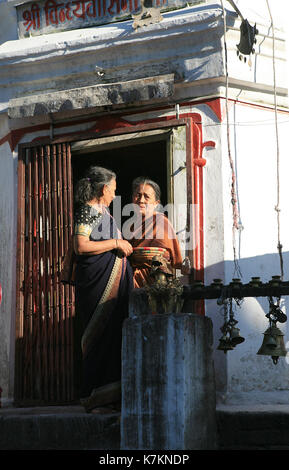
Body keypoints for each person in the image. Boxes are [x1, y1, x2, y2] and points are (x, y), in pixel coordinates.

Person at [73, 165, 133, 413]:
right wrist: (117, 242)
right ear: (104, 188)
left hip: (113, 281)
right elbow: (81, 246)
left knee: (114, 336)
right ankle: (94, 397)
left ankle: (111, 397)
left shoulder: (105, 213)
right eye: (114, 190)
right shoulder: (88, 211)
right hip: (96, 283)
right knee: (98, 336)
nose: (115, 195)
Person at [127, 176, 183, 288]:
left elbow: (165, 256)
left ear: (156, 204)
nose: (141, 200)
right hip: (132, 279)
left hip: (155, 280)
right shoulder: (131, 225)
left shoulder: (161, 222)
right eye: (137, 195)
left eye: (146, 197)